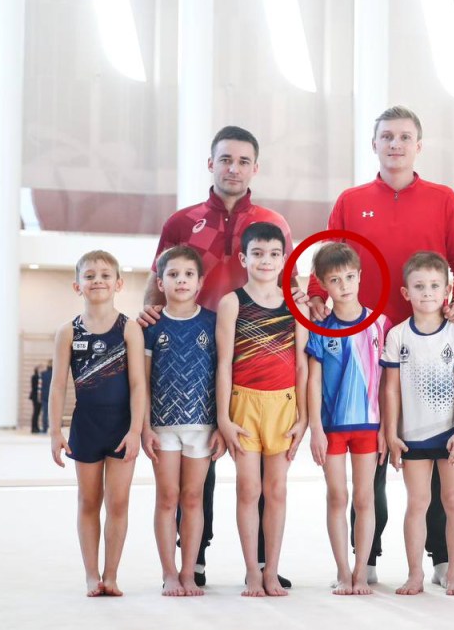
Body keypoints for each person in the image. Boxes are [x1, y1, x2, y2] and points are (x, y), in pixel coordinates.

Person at [307, 105, 454, 586]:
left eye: (404, 137)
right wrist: (318, 296)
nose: (396, 144)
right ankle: (368, 556)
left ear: (418, 145)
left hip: (430, 347)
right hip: (365, 347)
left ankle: (441, 558)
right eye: (387, 136)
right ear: (374, 144)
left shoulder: (443, 198)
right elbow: (326, 259)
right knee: (373, 457)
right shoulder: (351, 200)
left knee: (436, 454)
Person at [139, 125, 296, 588]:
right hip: (195, 355)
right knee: (199, 462)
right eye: (226, 159)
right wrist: (146, 316)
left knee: (261, 471)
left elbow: (291, 286)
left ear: (255, 168)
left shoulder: (271, 221)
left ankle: (264, 562)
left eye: (243, 161)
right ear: (211, 163)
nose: (234, 168)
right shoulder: (182, 222)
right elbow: (157, 280)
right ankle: (196, 557)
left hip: (251, 359)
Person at [216, 222, 309, 597]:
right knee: (248, 489)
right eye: (257, 254)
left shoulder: (295, 305)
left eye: (273, 254)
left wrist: (304, 417)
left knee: (277, 490)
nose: (265, 261)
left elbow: (302, 365)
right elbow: (224, 364)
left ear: (284, 259)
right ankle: (252, 572)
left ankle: (272, 570)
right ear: (243, 258)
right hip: (244, 405)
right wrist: (223, 418)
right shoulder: (232, 303)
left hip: (283, 406)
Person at [47, 250, 146, 597]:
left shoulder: (129, 329)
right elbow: (58, 385)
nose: (97, 281)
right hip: (86, 426)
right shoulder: (67, 332)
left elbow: (138, 384)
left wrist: (136, 430)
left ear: (119, 284)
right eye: (89, 276)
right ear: (77, 286)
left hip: (121, 428)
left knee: (118, 503)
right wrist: (55, 431)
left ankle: (112, 574)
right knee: (88, 501)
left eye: (105, 275)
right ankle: (92, 575)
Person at [382, 252, 454, 596]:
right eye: (419, 286)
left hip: (451, 435)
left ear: (447, 290)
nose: (427, 293)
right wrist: (391, 434)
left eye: (435, 286)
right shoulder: (397, 336)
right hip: (413, 436)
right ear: (406, 292)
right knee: (417, 503)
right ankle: (414, 574)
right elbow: (391, 389)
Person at [306, 242, 390, 595]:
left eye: (350, 277)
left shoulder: (380, 323)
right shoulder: (320, 328)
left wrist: (387, 428)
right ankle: (343, 572)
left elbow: (387, 383)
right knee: (337, 497)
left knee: (364, 498)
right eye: (335, 280)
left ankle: (360, 572)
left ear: (360, 276)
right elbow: (312, 381)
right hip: (333, 428)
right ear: (323, 284)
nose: (344, 285)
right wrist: (315, 429)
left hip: (369, 426)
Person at [140, 246, 224, 597]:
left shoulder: (213, 322)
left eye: (189, 274)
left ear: (201, 281)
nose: (181, 281)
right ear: (160, 282)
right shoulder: (150, 325)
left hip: (202, 426)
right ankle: (169, 573)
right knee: (167, 497)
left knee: (192, 498)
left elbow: (223, 374)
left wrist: (222, 425)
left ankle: (189, 572)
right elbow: (142, 382)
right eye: (173, 275)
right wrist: (144, 427)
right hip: (162, 427)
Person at [40, 361, 53, 434]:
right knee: (55, 413)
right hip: (53, 396)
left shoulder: (43, 374)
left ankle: (45, 429)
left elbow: (40, 386)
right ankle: (55, 429)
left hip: (44, 395)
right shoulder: (54, 374)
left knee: (45, 413)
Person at [30, 364, 43, 433]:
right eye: (40, 369)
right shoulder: (35, 377)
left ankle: (36, 427)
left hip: (39, 397)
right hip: (35, 397)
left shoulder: (40, 377)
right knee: (35, 413)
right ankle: (33, 428)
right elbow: (35, 387)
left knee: (37, 413)